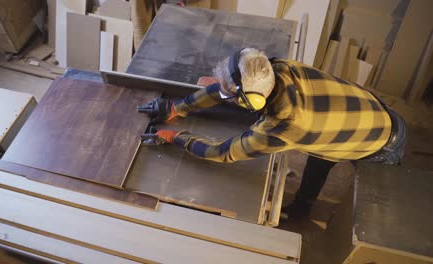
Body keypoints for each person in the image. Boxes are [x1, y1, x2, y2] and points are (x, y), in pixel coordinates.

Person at [138, 48, 407, 219]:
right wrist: (176, 107)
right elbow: (225, 88)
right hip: (359, 108)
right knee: (320, 155)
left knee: (370, 211)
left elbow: (222, 152)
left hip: (381, 142)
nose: (222, 95)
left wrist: (176, 137)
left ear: (250, 103)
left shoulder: (286, 125)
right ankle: (303, 206)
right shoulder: (276, 68)